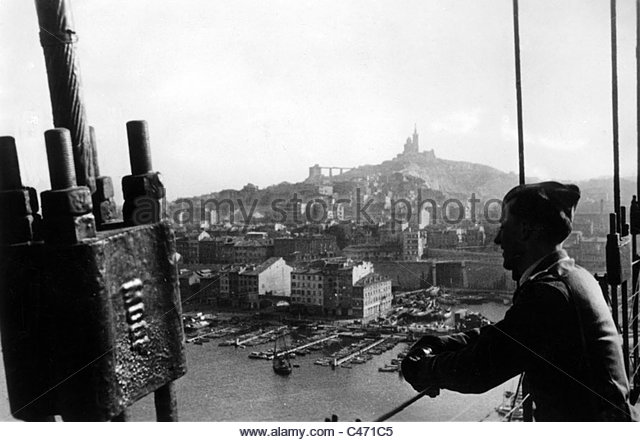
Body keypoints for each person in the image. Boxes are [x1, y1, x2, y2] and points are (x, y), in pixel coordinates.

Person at [401, 181, 638, 421]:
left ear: (525, 230)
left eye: (504, 227)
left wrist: (423, 368)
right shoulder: (576, 277)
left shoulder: (549, 293)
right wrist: (437, 344)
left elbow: (480, 368)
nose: (497, 239)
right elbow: (504, 336)